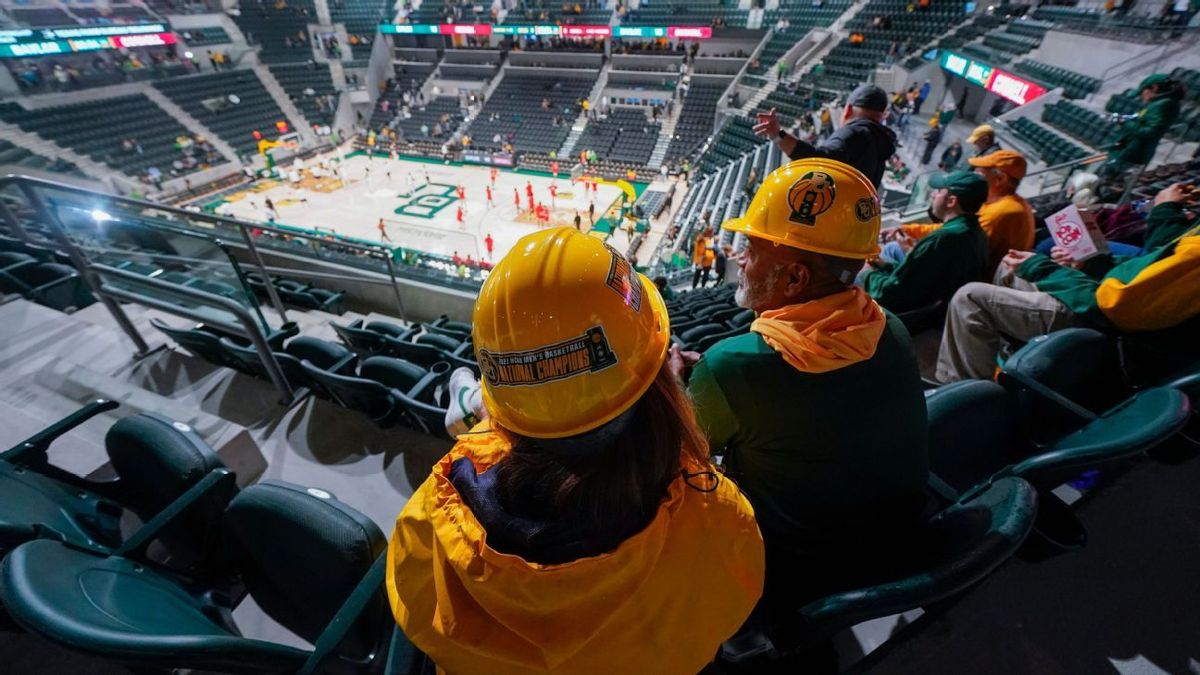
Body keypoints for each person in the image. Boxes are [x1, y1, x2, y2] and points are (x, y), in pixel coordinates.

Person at [387, 229, 766, 674]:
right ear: (655, 371)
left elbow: (415, 610)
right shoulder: (719, 518)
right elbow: (729, 610)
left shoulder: (432, 516)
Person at [669, 158, 928, 622]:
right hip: (893, 550)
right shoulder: (890, 328)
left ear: (795, 278)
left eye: (751, 247)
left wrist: (672, 387)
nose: (740, 258)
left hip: (791, 574)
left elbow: (671, 458)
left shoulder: (734, 366)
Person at [936, 182, 1200, 382]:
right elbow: (1155, 264)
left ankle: (960, 400)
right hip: (1108, 301)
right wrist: (1091, 264)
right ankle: (1011, 363)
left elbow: (1113, 306)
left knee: (970, 297)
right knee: (1011, 266)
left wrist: (1042, 268)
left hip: (1112, 330)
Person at [863, 171, 990, 312]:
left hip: (909, 313)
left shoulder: (942, 238)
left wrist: (867, 273)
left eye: (939, 191)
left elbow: (891, 293)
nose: (933, 195)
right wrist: (883, 264)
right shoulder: (977, 233)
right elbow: (917, 276)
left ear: (951, 201)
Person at [897, 150, 1035, 277]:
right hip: (967, 273)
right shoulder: (1001, 203)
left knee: (893, 249)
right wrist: (909, 229)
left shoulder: (1002, 211)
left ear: (1000, 179)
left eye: (979, 173)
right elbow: (948, 229)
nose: (973, 175)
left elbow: (955, 251)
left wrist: (912, 251)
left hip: (972, 282)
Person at [753, 84, 897, 188]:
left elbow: (819, 161)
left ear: (848, 109)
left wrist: (778, 135)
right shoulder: (880, 141)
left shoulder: (854, 133)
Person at [1099, 74, 1184, 180]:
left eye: (1142, 92)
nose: (1141, 96)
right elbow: (1140, 119)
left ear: (1154, 88)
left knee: (1103, 185)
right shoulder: (1158, 104)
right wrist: (1123, 118)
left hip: (1131, 156)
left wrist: (1123, 122)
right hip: (1127, 153)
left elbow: (1150, 131)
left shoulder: (1164, 105)